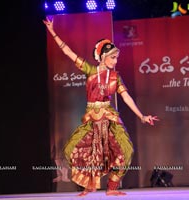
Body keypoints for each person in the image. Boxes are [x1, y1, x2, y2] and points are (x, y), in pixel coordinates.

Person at [43, 17, 159, 196]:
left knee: (126, 150)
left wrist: (142, 116)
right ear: (103, 57)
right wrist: (52, 32)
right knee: (73, 150)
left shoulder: (115, 76)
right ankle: (88, 185)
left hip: (110, 117)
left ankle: (111, 189)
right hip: (91, 117)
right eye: (113, 57)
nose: (115, 61)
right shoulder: (90, 70)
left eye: (117, 57)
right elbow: (68, 52)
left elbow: (126, 97)